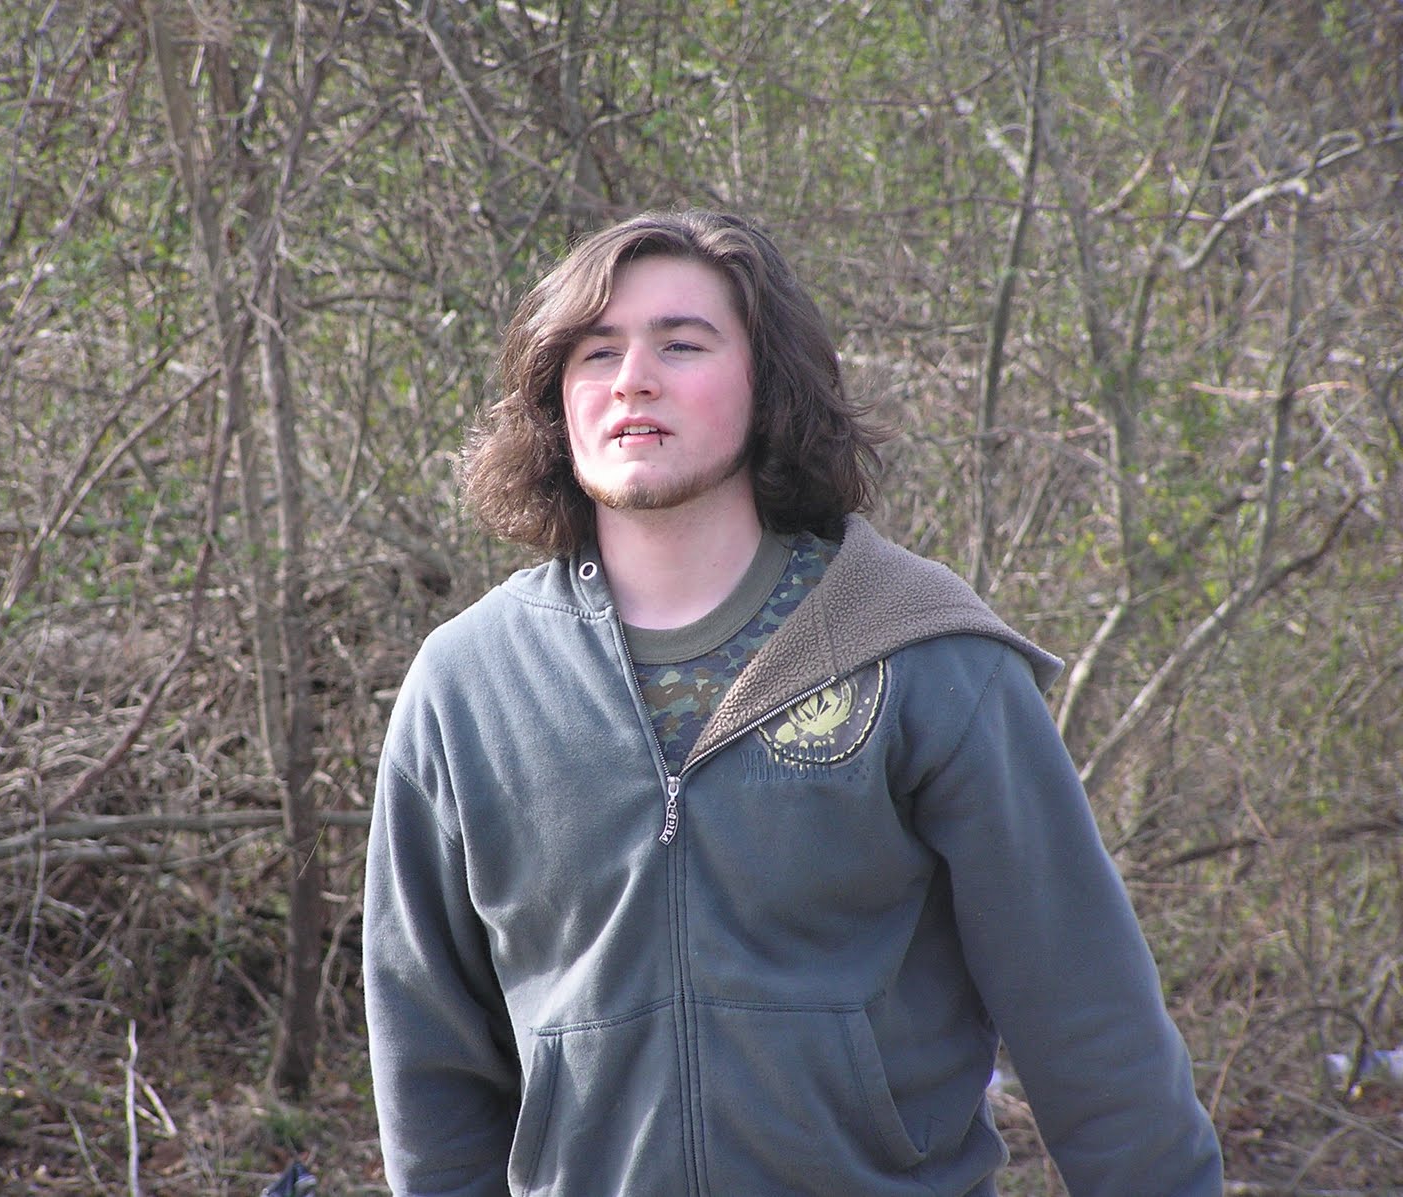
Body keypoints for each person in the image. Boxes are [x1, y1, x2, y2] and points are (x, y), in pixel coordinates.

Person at [362, 209, 1223, 1196]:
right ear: (555, 398)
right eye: (596, 352)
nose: (633, 377)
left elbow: (1089, 1021)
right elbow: (429, 1060)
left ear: (767, 381)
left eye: (681, 344)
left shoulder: (922, 652)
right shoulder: (468, 686)